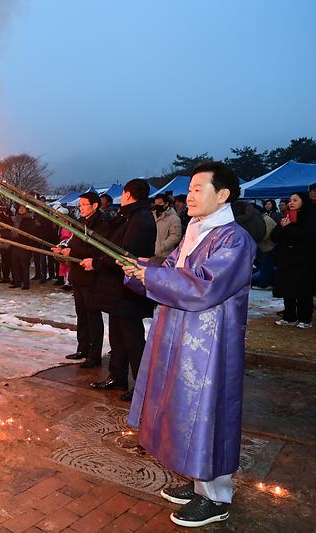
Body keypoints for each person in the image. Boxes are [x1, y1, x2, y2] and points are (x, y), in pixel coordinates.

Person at [121, 161, 256, 528]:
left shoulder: (234, 239)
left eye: (199, 188)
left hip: (210, 344)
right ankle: (199, 484)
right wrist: (139, 268)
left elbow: (205, 286)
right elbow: (173, 270)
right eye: (191, 188)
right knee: (181, 407)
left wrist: (150, 274)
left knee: (208, 413)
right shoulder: (196, 229)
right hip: (180, 333)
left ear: (223, 195)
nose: (190, 195)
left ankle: (216, 498)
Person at [84, 179, 156, 401]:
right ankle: (118, 376)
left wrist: (96, 263)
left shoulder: (140, 219)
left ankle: (143, 387)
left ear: (127, 194)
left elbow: (124, 254)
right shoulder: (130, 216)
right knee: (117, 335)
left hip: (127, 290)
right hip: (117, 291)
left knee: (133, 339)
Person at [54, 192, 108, 368]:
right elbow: (73, 243)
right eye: (80, 205)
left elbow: (99, 251)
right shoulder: (82, 222)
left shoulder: (102, 224)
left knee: (92, 315)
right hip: (78, 275)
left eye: (84, 204)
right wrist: (63, 249)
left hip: (91, 276)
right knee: (81, 315)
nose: (81, 207)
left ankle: (94, 354)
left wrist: (73, 252)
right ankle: (83, 348)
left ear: (94, 206)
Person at [270, 192, 315, 328]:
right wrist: (283, 228)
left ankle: (305, 319)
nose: (291, 203)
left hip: (304, 260)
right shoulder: (287, 216)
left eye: (295, 200)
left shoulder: (310, 217)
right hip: (287, 260)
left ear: (303, 202)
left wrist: (288, 228)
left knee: (303, 291)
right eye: (290, 200)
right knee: (287, 290)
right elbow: (274, 237)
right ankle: (289, 317)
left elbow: (306, 236)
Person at [10, 204, 39, 290]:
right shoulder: (15, 219)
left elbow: (31, 232)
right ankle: (17, 282)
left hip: (25, 244)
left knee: (24, 265)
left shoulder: (30, 219)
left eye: (23, 208)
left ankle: (25, 283)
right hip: (15, 243)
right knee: (15, 264)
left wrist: (21, 236)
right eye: (20, 208)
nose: (21, 209)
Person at [151, 194, 182, 263]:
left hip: (164, 256)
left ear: (166, 204)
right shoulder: (152, 215)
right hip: (150, 253)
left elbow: (176, 236)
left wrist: (161, 247)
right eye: (156, 203)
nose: (157, 205)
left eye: (159, 203)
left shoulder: (174, 218)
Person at [0, 204, 13, 283]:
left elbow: (7, 224)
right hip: (2, 242)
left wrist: (0, 213)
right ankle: (5, 277)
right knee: (4, 261)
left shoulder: (11, 220)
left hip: (9, 243)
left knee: (9, 261)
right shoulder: (2, 221)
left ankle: (11, 277)